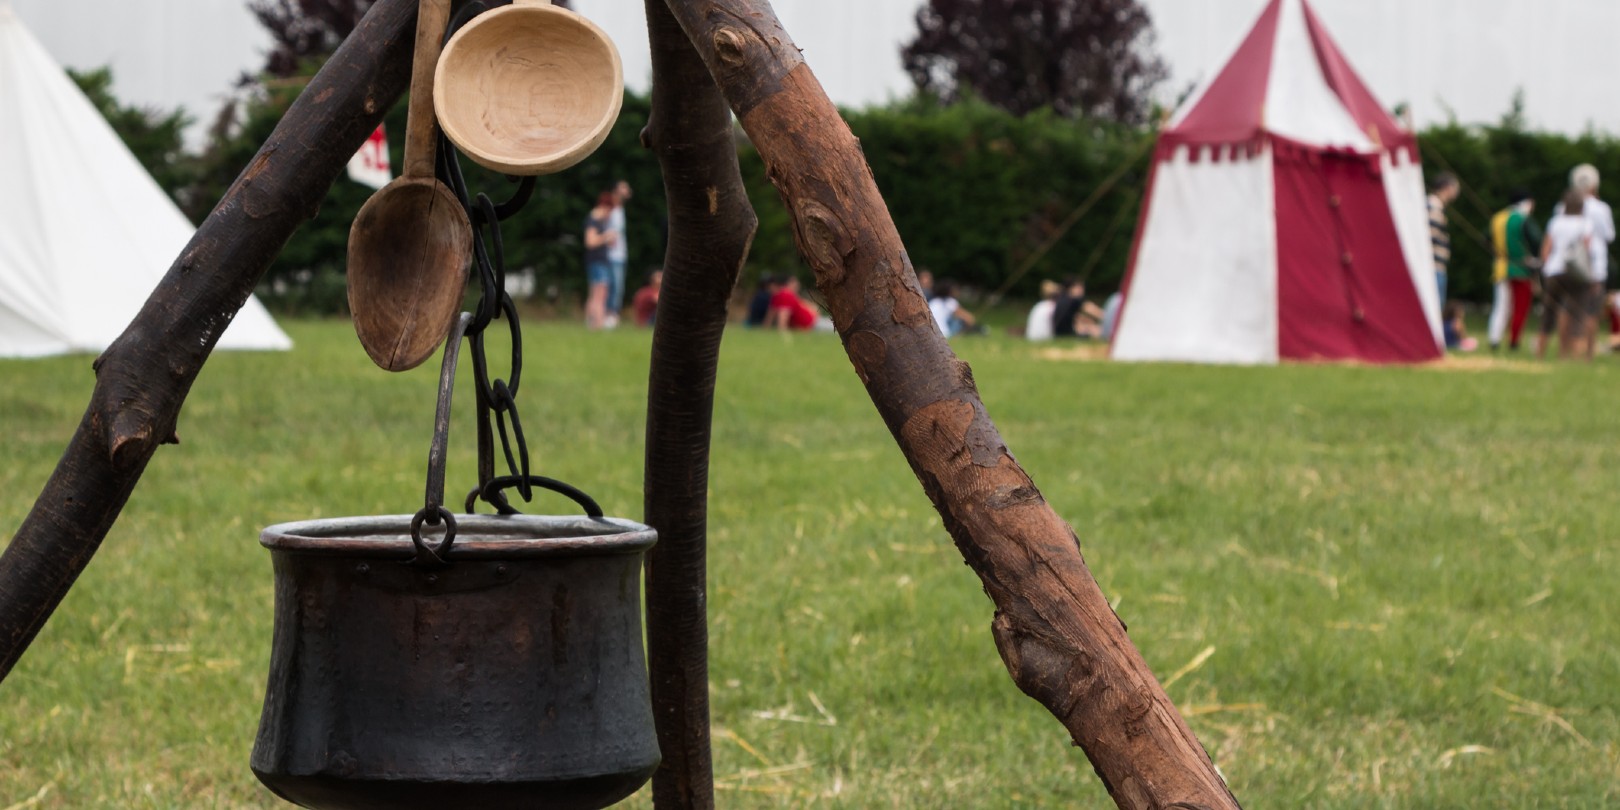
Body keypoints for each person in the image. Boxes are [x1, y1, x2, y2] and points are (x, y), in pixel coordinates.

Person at [1536, 189, 1596, 360]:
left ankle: (1540, 354)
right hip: (1576, 273)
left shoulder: (1555, 222)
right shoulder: (1585, 224)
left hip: (1554, 271)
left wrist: (1544, 269)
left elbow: (1546, 250)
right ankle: (1575, 356)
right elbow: (1587, 251)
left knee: (1549, 313)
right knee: (1578, 313)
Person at [1565, 164, 1615, 358]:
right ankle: (1587, 352)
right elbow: (1609, 235)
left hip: (1569, 265)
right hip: (1594, 267)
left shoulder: (1563, 206)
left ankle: (1567, 350)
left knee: (1569, 309)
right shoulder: (1600, 208)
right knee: (1591, 311)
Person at [1488, 190, 1540, 351]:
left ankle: (1494, 340)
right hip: (1521, 269)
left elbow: (1486, 239)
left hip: (1501, 267)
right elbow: (1537, 241)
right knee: (1520, 307)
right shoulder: (1524, 219)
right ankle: (1514, 341)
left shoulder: (1497, 218)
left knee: (1500, 306)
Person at [582, 190, 619, 330]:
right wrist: (606, 237)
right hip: (597, 261)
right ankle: (597, 323)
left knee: (595, 293)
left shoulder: (597, 221)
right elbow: (590, 241)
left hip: (597, 261)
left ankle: (592, 323)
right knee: (600, 294)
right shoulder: (594, 221)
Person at [604, 180, 632, 328]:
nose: (627, 190)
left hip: (620, 254)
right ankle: (610, 316)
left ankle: (612, 315)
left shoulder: (620, 209)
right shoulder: (610, 209)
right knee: (613, 286)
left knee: (617, 287)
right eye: (624, 187)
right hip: (611, 255)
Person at [1429, 172, 1460, 304]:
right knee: (1435, 306)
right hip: (1433, 266)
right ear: (1447, 187)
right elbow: (1430, 236)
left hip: (1437, 266)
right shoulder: (1433, 206)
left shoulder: (1436, 206)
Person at [767, 276, 832, 331]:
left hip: (813, 322)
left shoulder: (783, 295)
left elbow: (778, 317)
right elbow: (778, 316)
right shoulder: (784, 295)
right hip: (811, 324)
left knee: (835, 326)